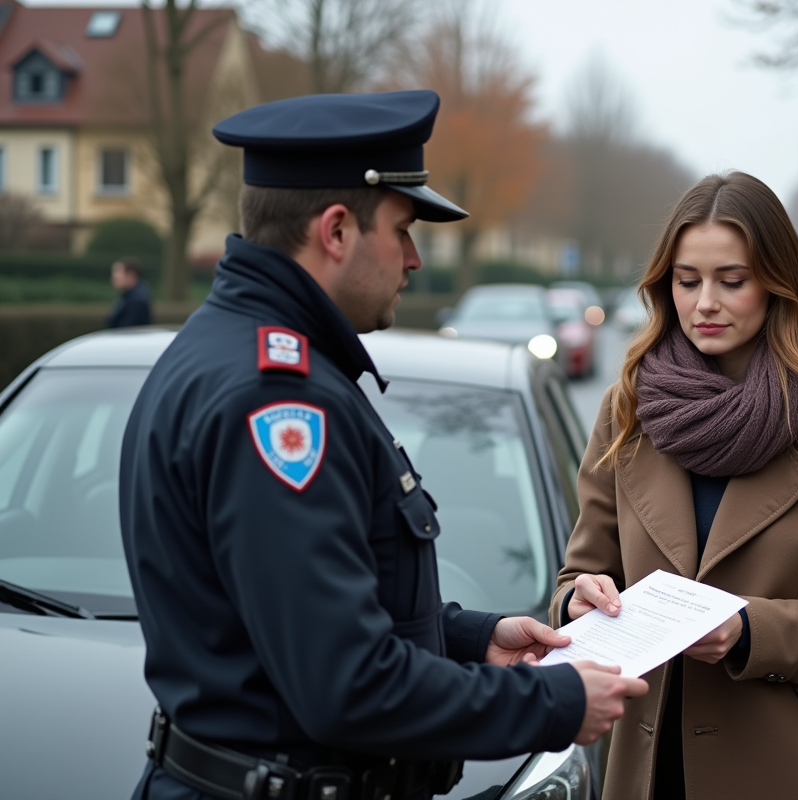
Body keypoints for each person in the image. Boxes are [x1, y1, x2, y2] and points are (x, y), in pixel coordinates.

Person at [120, 90, 646, 800]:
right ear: (336, 231)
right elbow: (345, 683)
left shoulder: (233, 351)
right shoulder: (278, 400)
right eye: (403, 229)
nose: (416, 259)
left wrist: (471, 641)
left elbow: (302, 613)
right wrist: (555, 703)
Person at [550, 172, 798, 800]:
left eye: (732, 281)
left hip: (789, 770)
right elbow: (574, 581)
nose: (705, 304)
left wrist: (750, 631)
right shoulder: (629, 409)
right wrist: (578, 604)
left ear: (777, 285)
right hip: (649, 767)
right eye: (687, 281)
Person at [106, 256, 152, 327]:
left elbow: (125, 329)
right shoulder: (128, 296)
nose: (114, 276)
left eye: (118, 272)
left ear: (131, 275)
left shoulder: (136, 301)